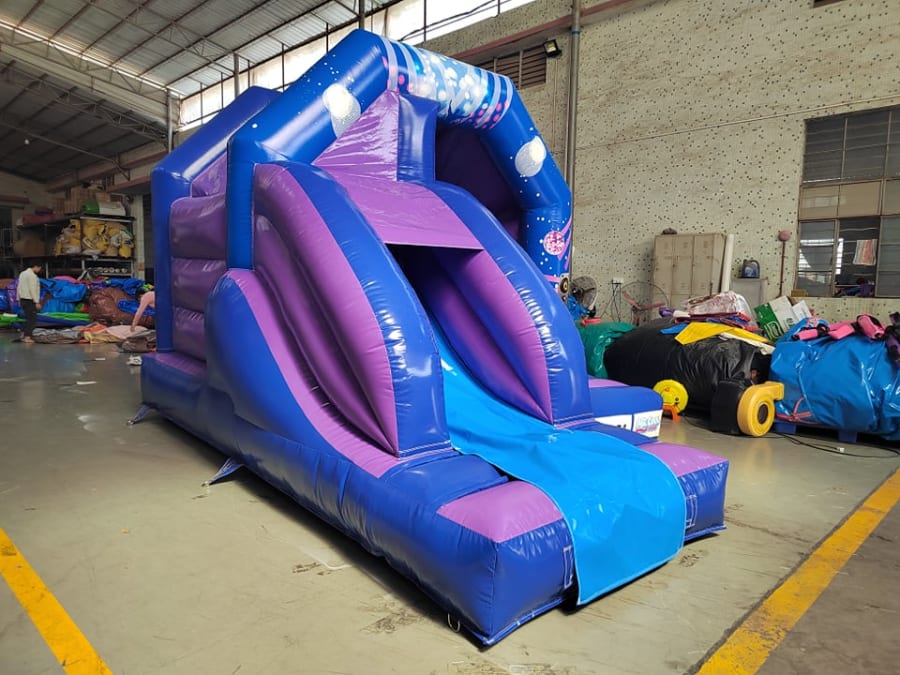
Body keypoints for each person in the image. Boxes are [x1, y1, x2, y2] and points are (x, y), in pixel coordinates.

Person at [17, 260, 43, 344]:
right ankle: (27, 337)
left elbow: (19, 287)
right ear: (36, 266)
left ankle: (23, 335)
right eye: (39, 268)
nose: (39, 270)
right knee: (32, 319)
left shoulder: (22, 274)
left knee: (28, 318)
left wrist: (18, 299)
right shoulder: (32, 276)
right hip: (30, 300)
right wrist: (36, 302)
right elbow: (32, 289)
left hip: (23, 299)